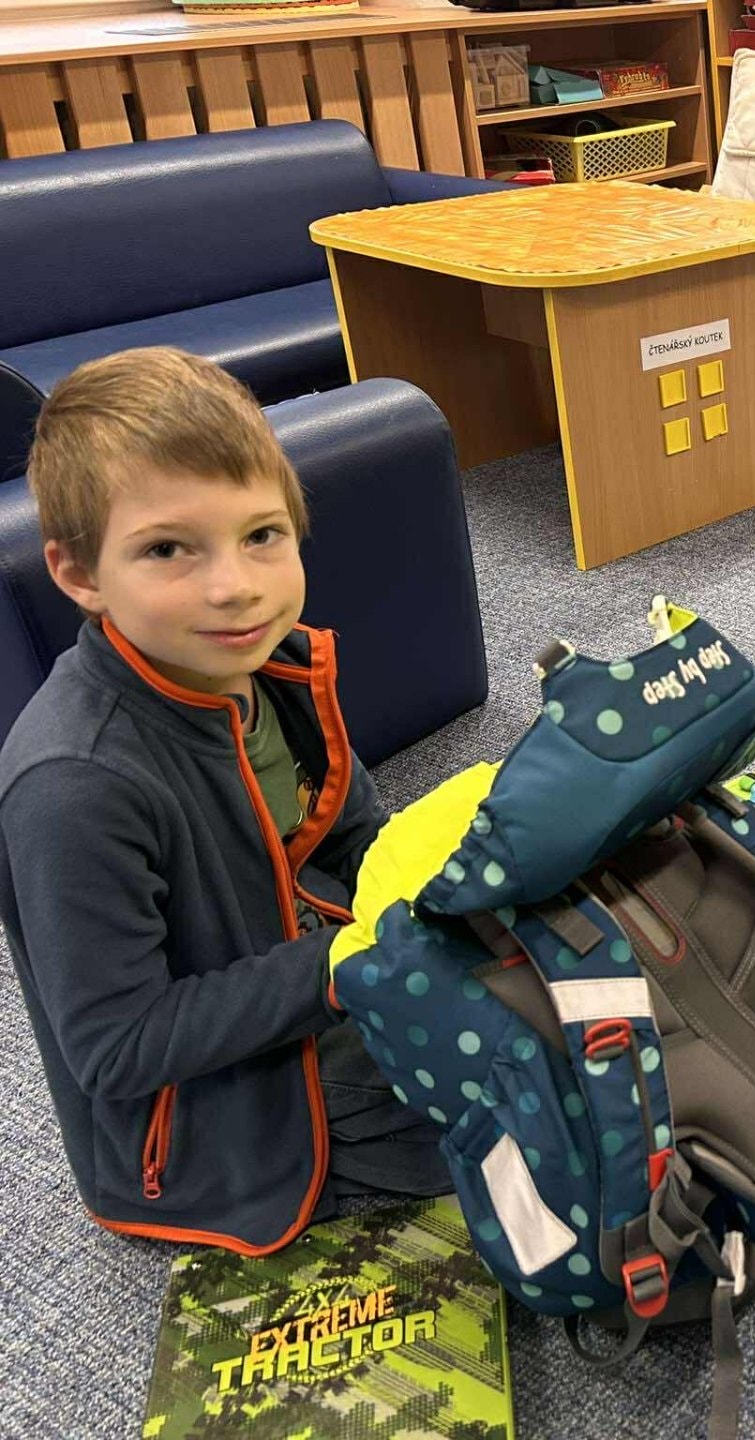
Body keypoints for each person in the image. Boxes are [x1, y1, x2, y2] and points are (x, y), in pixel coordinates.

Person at [0, 348, 446, 1255]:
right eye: (168, 549)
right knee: (523, 1095)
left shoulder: (264, 667)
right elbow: (118, 1046)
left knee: (554, 966)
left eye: (262, 535)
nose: (236, 585)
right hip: (207, 1119)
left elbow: (355, 838)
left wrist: (447, 891)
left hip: (306, 977)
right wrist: (345, 964)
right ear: (80, 574)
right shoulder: (74, 784)